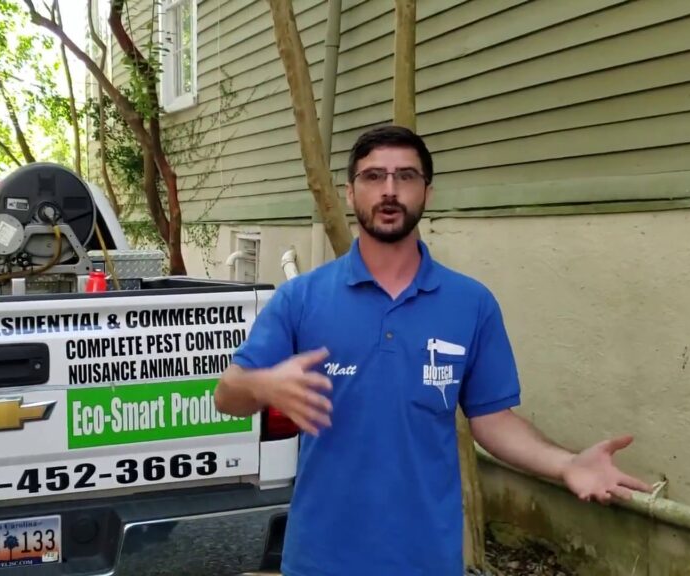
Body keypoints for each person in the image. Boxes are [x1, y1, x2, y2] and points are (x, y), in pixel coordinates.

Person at [214, 125, 653, 576]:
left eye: (405, 176)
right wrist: (262, 383)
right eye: (373, 176)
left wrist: (567, 464)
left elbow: (493, 420)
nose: (389, 190)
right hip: (321, 558)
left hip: (428, 559)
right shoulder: (302, 299)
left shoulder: (470, 304)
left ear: (427, 191)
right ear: (350, 193)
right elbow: (227, 396)